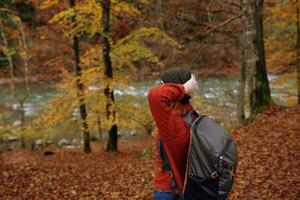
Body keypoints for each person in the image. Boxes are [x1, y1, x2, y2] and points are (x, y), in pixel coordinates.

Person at [148, 68, 199, 200]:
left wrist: (183, 88)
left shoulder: (176, 127)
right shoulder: (191, 115)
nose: (160, 87)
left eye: (162, 85)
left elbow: (155, 95)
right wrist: (184, 90)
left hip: (168, 192)